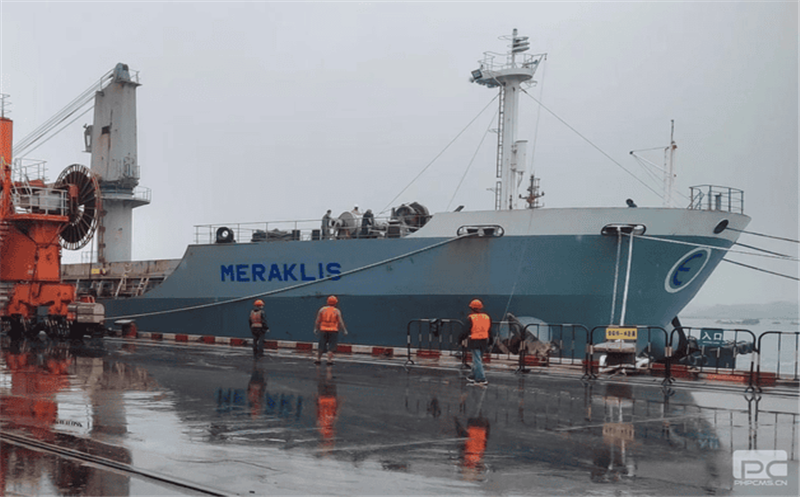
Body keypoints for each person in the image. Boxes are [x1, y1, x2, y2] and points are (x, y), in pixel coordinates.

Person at [314, 295, 348, 365]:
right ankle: (329, 360)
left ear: (327, 301)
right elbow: (340, 321)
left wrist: (316, 328)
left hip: (323, 330)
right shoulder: (336, 311)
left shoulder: (322, 309)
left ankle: (318, 359)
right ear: (335, 303)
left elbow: (318, 320)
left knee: (321, 345)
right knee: (331, 346)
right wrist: (344, 330)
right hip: (333, 330)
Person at [464, 299, 491, 385]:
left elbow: (465, 330)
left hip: (475, 340)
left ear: (471, 308)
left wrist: (460, 339)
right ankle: (473, 375)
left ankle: (481, 378)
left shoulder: (471, 318)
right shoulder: (486, 317)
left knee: (477, 360)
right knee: (478, 359)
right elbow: (489, 330)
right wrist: (491, 340)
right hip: (484, 340)